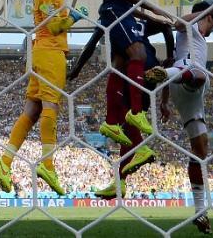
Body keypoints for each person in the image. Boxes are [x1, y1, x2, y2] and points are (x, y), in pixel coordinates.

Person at [0, 0, 87, 195]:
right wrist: (74, 18)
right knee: (50, 107)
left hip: (39, 53)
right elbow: (55, 26)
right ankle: (48, 165)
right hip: (50, 52)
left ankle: (5, 161)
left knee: (31, 112)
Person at [67, 15, 174, 199]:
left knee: (124, 122)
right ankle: (120, 181)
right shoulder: (139, 22)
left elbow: (91, 45)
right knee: (128, 126)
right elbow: (166, 26)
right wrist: (170, 56)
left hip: (131, 71)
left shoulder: (111, 18)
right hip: (149, 72)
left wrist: (77, 68)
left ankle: (141, 149)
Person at [151, 1, 213, 235]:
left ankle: (200, 211)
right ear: (207, 18)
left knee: (201, 150)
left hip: (184, 91)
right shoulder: (192, 27)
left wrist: (164, 102)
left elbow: (171, 60)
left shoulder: (195, 41)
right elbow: (179, 22)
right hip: (187, 75)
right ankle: (165, 75)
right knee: (199, 74)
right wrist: (210, 10)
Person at [96, 0, 169, 146]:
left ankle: (110, 121)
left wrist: (153, 17)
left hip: (124, 14)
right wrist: (151, 6)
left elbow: (128, 2)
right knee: (138, 54)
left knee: (119, 65)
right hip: (114, 13)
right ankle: (136, 112)